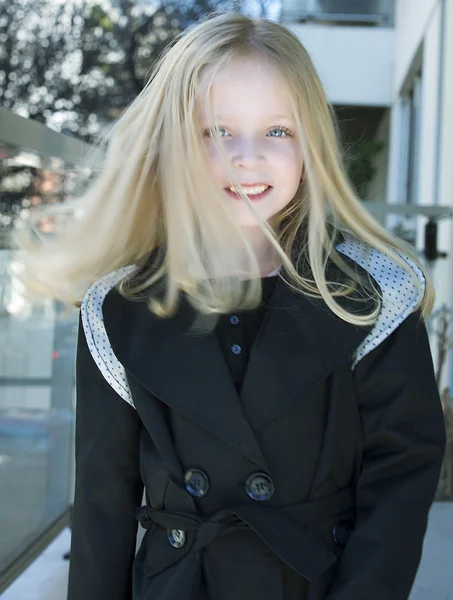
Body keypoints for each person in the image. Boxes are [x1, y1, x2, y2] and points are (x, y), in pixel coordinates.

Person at [14, 12, 446, 600]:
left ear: (311, 144)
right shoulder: (116, 310)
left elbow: (401, 477)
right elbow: (102, 502)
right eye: (215, 132)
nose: (247, 157)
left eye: (277, 131)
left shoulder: (373, 296)